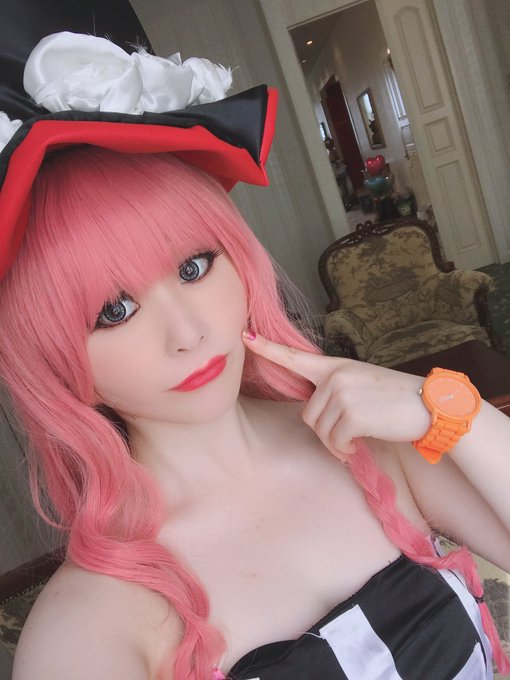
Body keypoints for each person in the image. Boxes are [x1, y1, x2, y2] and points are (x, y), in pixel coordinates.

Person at [0, 31, 509, 680]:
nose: (187, 333)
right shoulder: (87, 625)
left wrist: (450, 410)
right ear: (50, 354)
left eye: (193, 266)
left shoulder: (368, 439)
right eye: (115, 311)